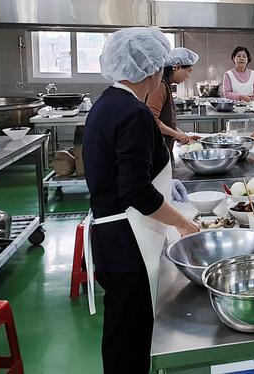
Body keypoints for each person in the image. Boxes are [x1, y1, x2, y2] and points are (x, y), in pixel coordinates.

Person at [82, 27, 200, 374]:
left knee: (121, 332)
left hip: (112, 236)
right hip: (128, 240)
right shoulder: (133, 113)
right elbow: (135, 190)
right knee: (130, 339)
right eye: (161, 67)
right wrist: (180, 221)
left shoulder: (106, 103)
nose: (162, 73)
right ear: (149, 69)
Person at [146, 47, 200, 157]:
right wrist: (175, 134)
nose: (188, 76)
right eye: (188, 71)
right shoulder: (160, 85)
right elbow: (152, 120)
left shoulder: (166, 85)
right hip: (155, 152)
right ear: (177, 67)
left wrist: (182, 135)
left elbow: (165, 120)